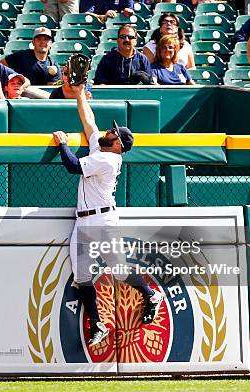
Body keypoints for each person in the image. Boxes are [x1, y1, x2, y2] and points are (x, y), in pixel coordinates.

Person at [51, 83, 163, 347]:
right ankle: (98, 324)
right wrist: (79, 94)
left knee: (119, 271)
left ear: (119, 145)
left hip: (102, 221)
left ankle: (149, 294)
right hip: (84, 220)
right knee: (81, 276)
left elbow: (72, 166)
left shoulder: (109, 160)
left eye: (113, 133)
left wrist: (63, 144)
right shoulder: (101, 151)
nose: (109, 132)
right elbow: (89, 121)